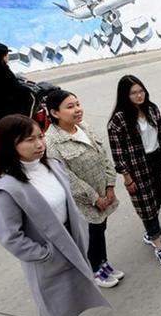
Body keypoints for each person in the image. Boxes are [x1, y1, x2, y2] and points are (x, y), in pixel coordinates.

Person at [0, 114, 110, 316]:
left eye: (40, 136)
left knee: (72, 295)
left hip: (69, 241)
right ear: (11, 144)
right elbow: (8, 235)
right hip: (47, 253)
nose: (39, 144)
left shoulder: (51, 165)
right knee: (54, 302)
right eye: (29, 140)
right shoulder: (9, 187)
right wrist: (44, 254)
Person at [45, 89, 124, 288]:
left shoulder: (83, 127)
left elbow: (102, 154)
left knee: (101, 229)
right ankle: (95, 269)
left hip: (103, 192)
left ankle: (103, 262)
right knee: (91, 235)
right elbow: (66, 176)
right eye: (70, 107)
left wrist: (110, 185)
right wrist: (94, 197)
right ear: (55, 113)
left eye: (78, 104)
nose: (77, 110)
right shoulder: (51, 141)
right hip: (83, 201)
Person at [108, 75, 161, 267]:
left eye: (141, 91)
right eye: (133, 93)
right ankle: (158, 245)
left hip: (157, 160)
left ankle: (150, 234)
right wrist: (127, 178)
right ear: (125, 95)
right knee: (146, 207)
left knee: (157, 200)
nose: (139, 96)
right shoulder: (118, 121)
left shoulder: (152, 109)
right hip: (137, 167)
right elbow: (118, 154)